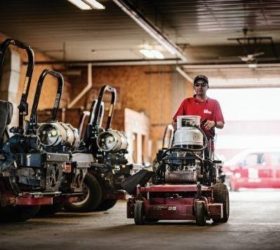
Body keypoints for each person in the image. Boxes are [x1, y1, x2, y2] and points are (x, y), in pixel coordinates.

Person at [172, 75, 224, 154]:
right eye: (197, 85)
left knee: (207, 165)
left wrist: (214, 123)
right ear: (194, 87)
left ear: (207, 87)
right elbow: (174, 122)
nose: (200, 87)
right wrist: (178, 130)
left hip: (206, 145)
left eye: (203, 85)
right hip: (187, 145)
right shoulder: (187, 102)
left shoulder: (214, 103)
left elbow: (221, 124)